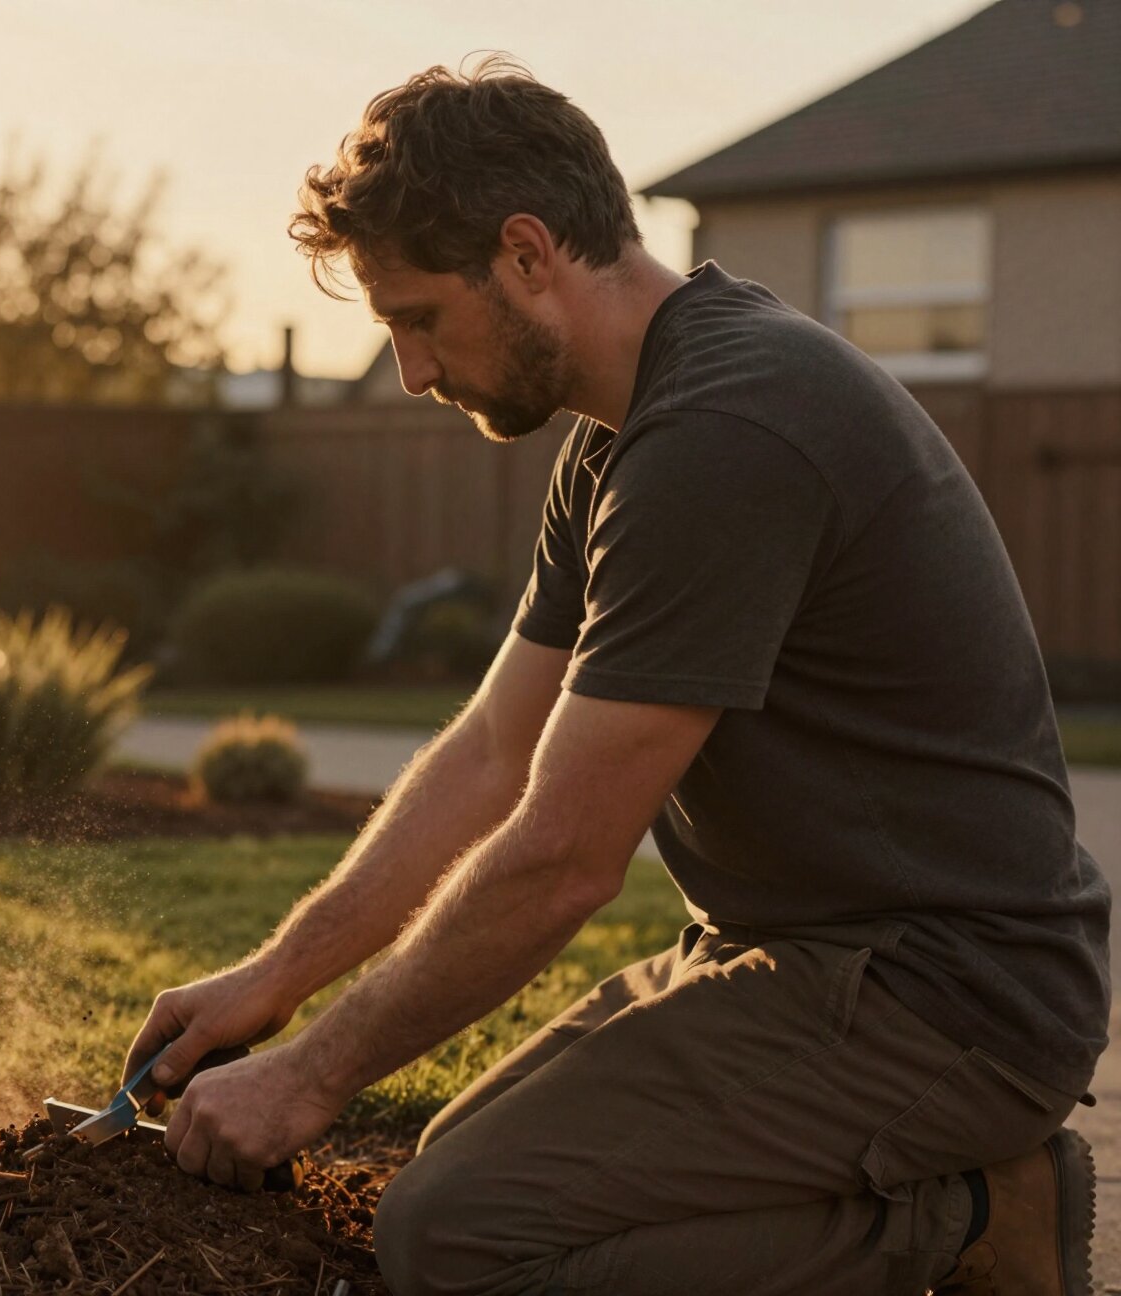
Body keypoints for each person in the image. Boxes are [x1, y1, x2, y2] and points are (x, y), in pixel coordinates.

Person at [122, 55, 1110, 1296]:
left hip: (944, 995)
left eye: (418, 319)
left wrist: (309, 1078)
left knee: (456, 1239)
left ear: (528, 253)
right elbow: (493, 752)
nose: (412, 373)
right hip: (799, 957)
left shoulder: (726, 430)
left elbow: (565, 858)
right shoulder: (620, 439)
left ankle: (972, 1218)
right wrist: (271, 984)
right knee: (460, 1177)